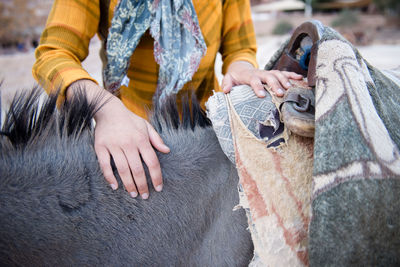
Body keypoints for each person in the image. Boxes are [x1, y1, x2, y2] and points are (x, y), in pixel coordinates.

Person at [33, 0, 302, 200]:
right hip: (130, 142)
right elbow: (54, 54)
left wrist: (242, 70)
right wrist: (105, 110)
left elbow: (239, 48)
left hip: (206, 134)